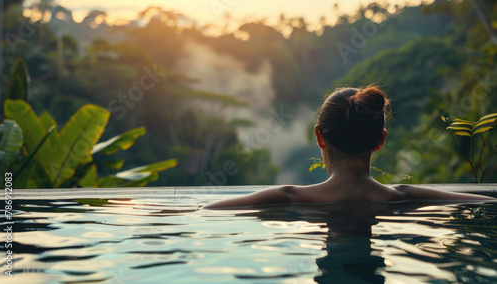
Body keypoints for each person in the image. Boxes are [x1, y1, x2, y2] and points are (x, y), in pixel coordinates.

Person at [204, 86, 495, 209]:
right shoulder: (405, 198)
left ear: (320, 137)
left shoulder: (287, 198)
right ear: (380, 141)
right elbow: (486, 203)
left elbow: (206, 210)